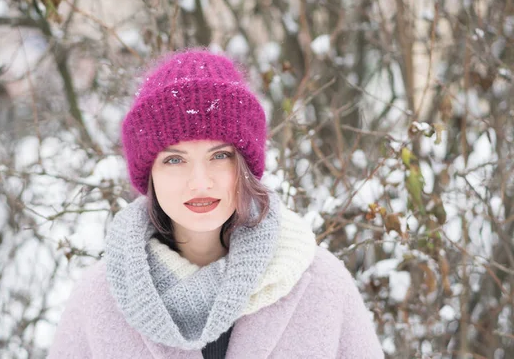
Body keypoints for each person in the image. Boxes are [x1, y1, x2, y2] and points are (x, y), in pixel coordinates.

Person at [48, 49, 384, 358]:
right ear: (148, 174)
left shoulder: (323, 286)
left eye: (220, 156)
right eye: (175, 160)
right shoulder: (98, 300)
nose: (200, 181)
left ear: (245, 166)